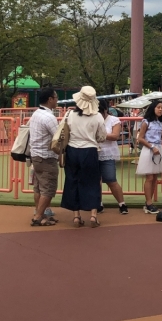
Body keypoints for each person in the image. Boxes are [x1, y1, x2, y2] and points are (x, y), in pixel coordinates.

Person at [60, 86, 107, 228]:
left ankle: (76, 216)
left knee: (73, 181)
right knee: (93, 182)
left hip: (72, 150)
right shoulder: (97, 116)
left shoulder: (69, 115)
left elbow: (63, 132)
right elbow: (102, 136)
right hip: (90, 150)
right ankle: (93, 215)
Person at [28, 88, 61, 226]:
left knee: (39, 187)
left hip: (36, 155)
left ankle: (41, 213)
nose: (57, 100)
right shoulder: (49, 117)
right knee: (48, 189)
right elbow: (58, 137)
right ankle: (38, 217)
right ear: (50, 99)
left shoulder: (36, 114)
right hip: (47, 157)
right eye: (56, 97)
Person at [136, 101, 162, 214]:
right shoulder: (146, 122)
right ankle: (148, 202)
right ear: (153, 108)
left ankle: (149, 203)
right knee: (150, 177)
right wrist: (151, 147)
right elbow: (140, 138)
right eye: (158, 107)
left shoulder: (161, 123)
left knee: (155, 178)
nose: (160, 110)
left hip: (158, 149)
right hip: (149, 149)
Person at [97, 100, 127, 215]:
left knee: (111, 179)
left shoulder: (114, 120)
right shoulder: (93, 119)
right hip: (94, 152)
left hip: (107, 153)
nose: (99, 114)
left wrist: (100, 135)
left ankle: (122, 203)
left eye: (101, 111)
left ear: (106, 110)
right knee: (95, 181)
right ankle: (98, 203)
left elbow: (115, 136)